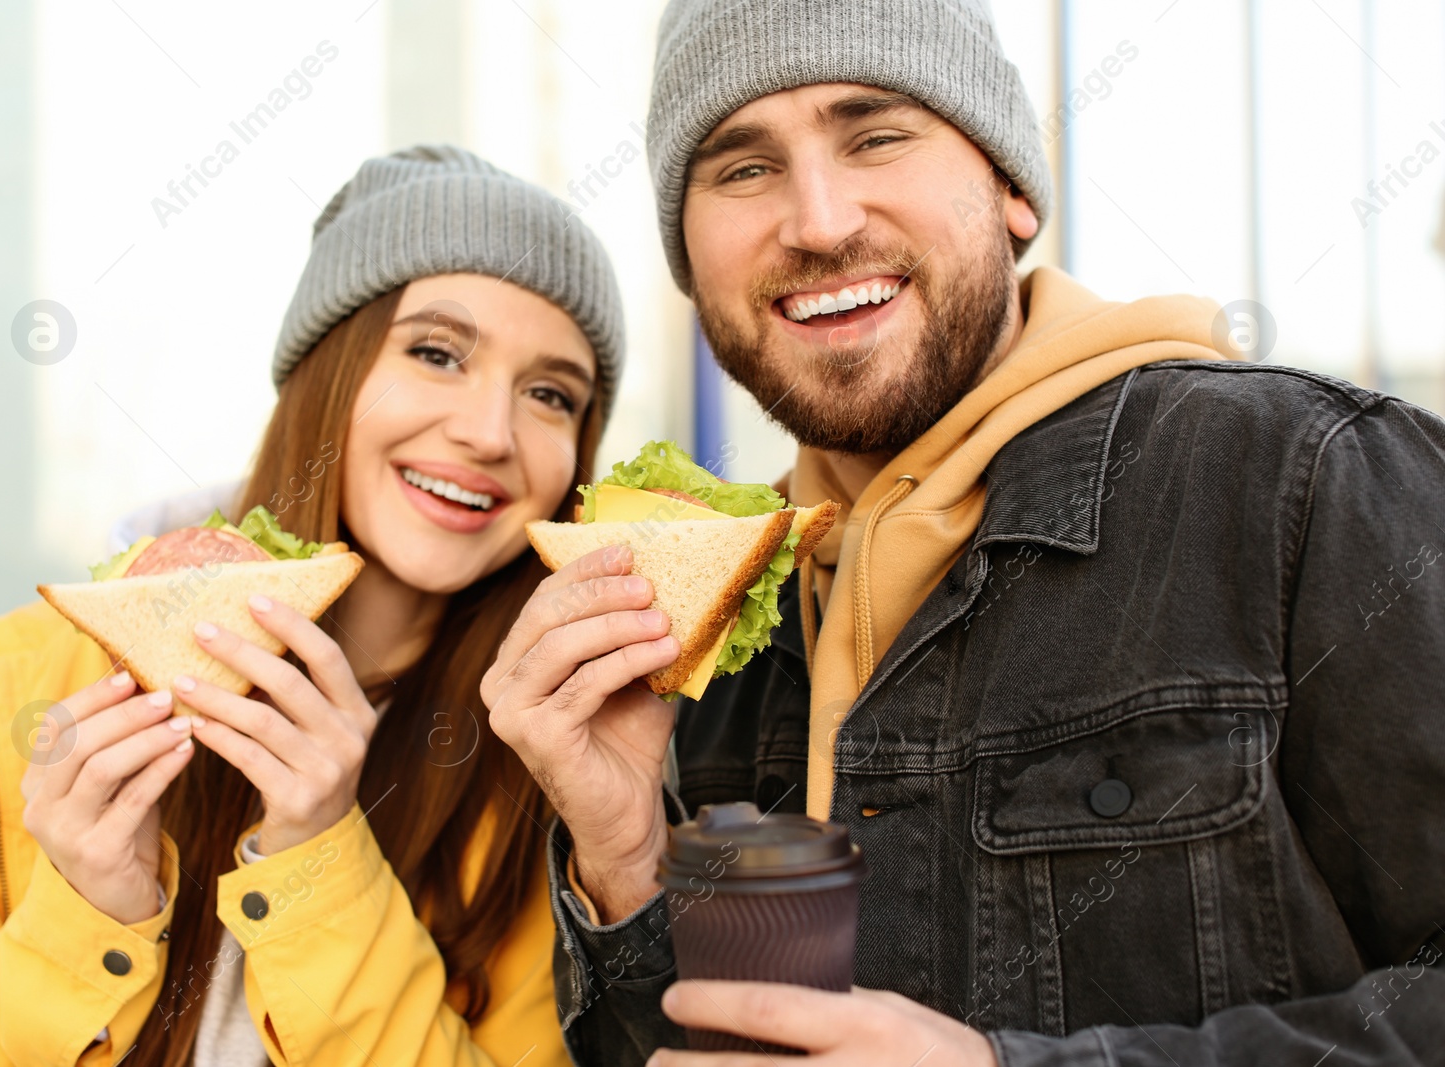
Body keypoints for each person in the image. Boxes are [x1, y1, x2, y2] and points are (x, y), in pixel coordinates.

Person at [482, 1, 1445, 1064]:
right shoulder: (718, 632)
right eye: (741, 169)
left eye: (876, 135)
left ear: (1011, 189)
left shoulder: (1300, 477)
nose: (817, 219)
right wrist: (625, 858)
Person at [0, 145, 623, 1067]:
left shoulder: (552, 754)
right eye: (435, 352)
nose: (490, 432)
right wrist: (87, 913)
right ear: (322, 373)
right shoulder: (35, 673)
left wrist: (321, 852)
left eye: (550, 395)